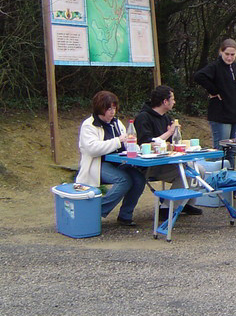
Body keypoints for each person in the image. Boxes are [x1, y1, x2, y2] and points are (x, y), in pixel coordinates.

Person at [76, 91, 147, 227]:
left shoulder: (117, 123)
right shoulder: (89, 125)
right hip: (97, 164)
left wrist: (135, 147)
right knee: (123, 180)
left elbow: (126, 142)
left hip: (119, 162)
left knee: (139, 179)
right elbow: (93, 149)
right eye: (108, 108)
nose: (112, 112)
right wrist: (118, 141)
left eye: (114, 108)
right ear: (99, 108)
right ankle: (94, 213)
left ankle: (125, 215)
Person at [134, 85, 202, 219]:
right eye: (173, 99)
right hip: (150, 165)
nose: (174, 102)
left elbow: (171, 143)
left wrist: (176, 134)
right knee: (187, 174)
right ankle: (166, 208)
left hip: (167, 161)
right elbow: (145, 144)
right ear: (165, 101)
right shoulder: (143, 118)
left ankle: (184, 202)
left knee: (199, 170)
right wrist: (170, 132)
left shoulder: (166, 117)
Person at [193, 38, 236, 168]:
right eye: (227, 54)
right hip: (220, 116)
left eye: (232, 55)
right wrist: (213, 90)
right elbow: (199, 76)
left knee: (232, 152)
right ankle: (216, 181)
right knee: (220, 151)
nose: (229, 58)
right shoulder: (215, 67)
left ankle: (231, 181)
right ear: (221, 52)